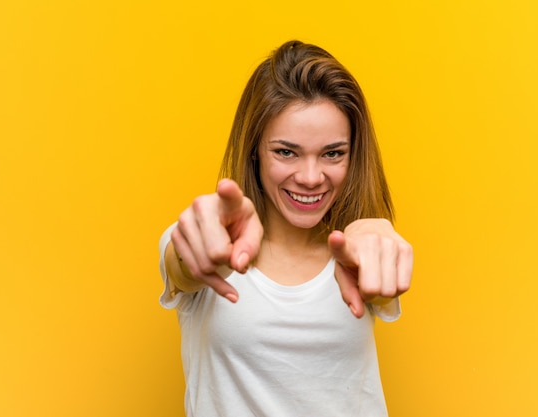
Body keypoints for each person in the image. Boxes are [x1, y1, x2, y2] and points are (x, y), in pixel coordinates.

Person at [158, 40, 413, 417]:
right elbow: (183, 261)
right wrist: (191, 249)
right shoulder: (208, 241)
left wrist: (380, 240)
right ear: (254, 151)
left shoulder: (359, 258)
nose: (311, 178)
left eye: (332, 153)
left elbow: (381, 268)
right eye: (286, 152)